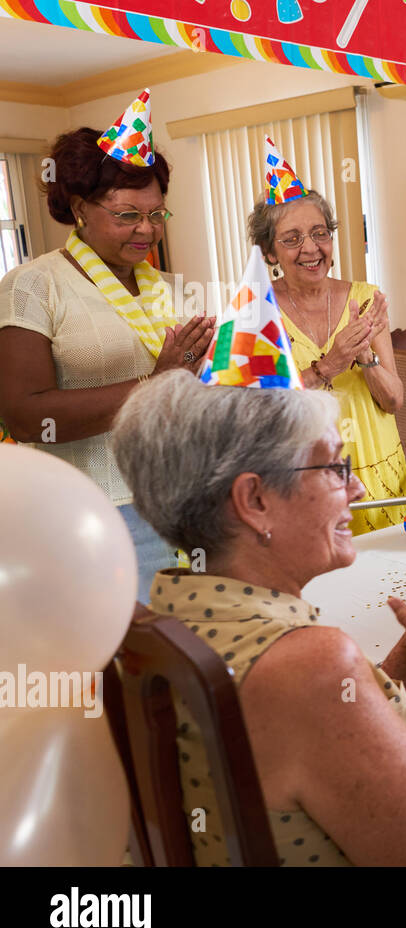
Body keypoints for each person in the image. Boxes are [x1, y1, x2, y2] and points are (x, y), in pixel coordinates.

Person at [112, 370, 406, 865]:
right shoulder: (313, 666)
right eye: (335, 468)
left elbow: (332, 733)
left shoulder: (169, 609)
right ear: (255, 500)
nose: (360, 489)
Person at [0, 96, 215, 602]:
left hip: (184, 504)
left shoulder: (173, 290)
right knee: (118, 672)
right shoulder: (33, 286)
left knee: (190, 663)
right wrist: (155, 385)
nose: (147, 229)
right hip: (92, 515)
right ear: (79, 209)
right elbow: (25, 418)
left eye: (156, 213)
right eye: (128, 215)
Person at [246, 141, 406, 535]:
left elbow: (393, 400)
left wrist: (365, 356)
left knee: (390, 587)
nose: (311, 249)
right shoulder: (256, 313)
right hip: (302, 478)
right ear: (269, 251)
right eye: (292, 238)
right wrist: (329, 365)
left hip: (378, 471)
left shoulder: (365, 298)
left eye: (320, 233)